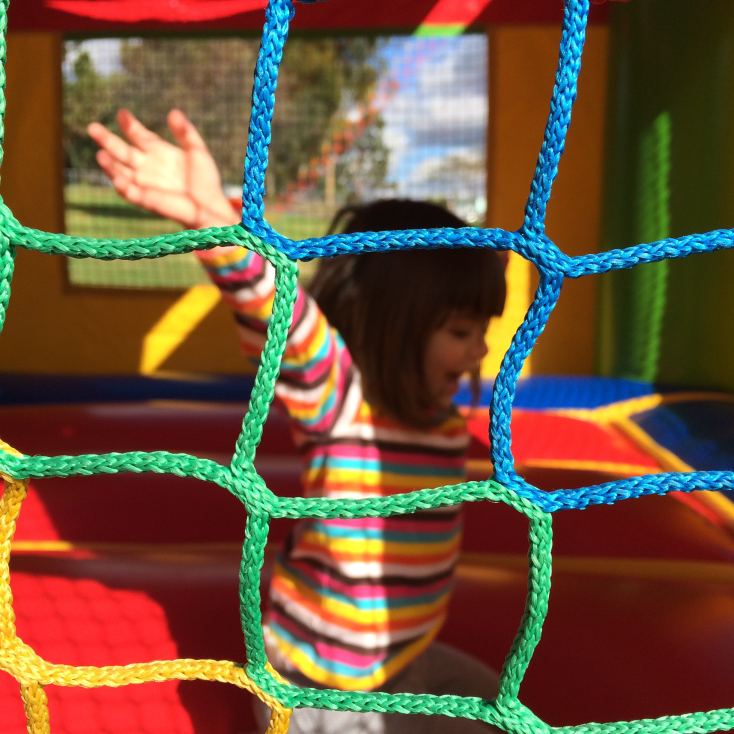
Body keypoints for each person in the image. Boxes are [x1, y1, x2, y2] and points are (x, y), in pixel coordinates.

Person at [88, 109, 507, 733]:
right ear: (395, 326)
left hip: (403, 663)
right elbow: (289, 325)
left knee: (502, 708)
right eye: (459, 333)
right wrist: (214, 224)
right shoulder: (343, 403)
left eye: (483, 333)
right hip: (317, 686)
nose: (479, 352)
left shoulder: (444, 423)